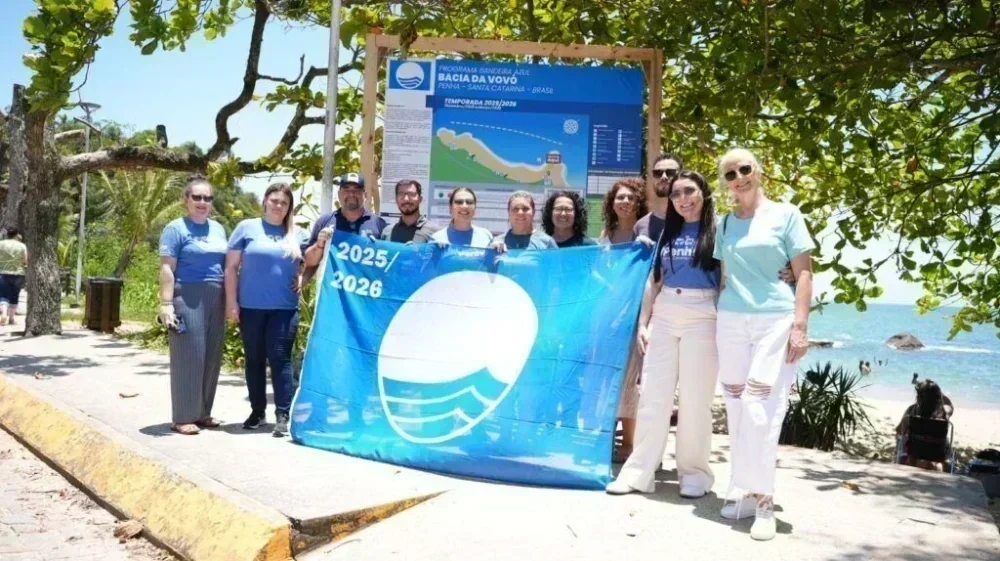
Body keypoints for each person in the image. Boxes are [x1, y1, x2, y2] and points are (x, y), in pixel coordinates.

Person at [713, 148, 815, 541]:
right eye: (730, 173)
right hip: (731, 320)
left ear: (757, 171)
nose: (739, 177)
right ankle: (740, 488)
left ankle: (765, 500)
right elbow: (726, 277)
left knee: (762, 406)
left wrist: (800, 327)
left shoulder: (787, 215)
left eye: (744, 169)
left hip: (775, 319)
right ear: (725, 182)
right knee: (736, 406)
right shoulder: (724, 224)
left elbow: (804, 274)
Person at [606, 170, 721, 499]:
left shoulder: (718, 230)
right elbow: (652, 282)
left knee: (695, 399)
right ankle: (639, 472)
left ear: (703, 193)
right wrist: (644, 323)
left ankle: (694, 473)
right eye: (675, 194)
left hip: (704, 314)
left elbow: (729, 277)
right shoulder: (667, 233)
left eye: (689, 191)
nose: (682, 199)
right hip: (666, 312)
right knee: (653, 396)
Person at [225, 182, 304, 437]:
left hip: (284, 308)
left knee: (280, 360)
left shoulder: (297, 234)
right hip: (250, 307)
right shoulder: (246, 228)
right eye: (275, 200)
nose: (279, 206)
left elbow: (312, 260)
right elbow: (230, 268)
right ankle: (257, 411)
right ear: (265, 202)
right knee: (255, 360)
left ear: (289, 207)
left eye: (284, 202)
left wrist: (304, 276)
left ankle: (283, 414)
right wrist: (231, 303)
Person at [158, 175, 228, 436]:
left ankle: (203, 412)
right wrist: (166, 304)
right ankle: (183, 416)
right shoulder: (175, 229)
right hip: (186, 295)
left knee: (211, 356)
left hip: (216, 297)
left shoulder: (219, 229)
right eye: (196, 197)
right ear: (186, 200)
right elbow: (166, 268)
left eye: (207, 198)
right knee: (189, 355)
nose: (202, 202)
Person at [598, 178, 649, 461]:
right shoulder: (607, 232)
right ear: (612, 202)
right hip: (609, 316)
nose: (625, 202)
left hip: (636, 315)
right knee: (607, 377)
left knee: (631, 379)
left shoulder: (647, 231)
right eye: (620, 198)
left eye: (630, 198)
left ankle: (629, 444)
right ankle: (606, 440)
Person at [303, 172, 387, 270]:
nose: (351, 194)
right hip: (332, 284)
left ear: (365, 195)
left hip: (366, 284)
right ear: (339, 194)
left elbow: (389, 261)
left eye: (357, 190)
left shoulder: (379, 224)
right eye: (346, 189)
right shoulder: (324, 222)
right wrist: (319, 245)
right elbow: (308, 261)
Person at [896, 379, 954, 471]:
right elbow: (950, 406)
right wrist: (936, 392)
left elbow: (899, 431)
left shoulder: (910, 413)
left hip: (913, 460)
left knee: (903, 441)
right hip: (937, 459)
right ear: (938, 397)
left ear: (918, 397)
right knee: (946, 451)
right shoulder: (944, 413)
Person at [634, 153, 683, 242]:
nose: (663, 177)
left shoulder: (696, 219)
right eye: (658, 173)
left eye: (670, 172)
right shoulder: (641, 226)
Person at [381, 179, 442, 244]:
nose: (406, 199)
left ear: (420, 199)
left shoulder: (436, 232)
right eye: (401, 194)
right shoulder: (387, 232)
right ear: (396, 200)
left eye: (411, 194)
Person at [492, 191, 558, 251]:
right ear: (508, 212)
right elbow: (485, 264)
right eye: (515, 209)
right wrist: (492, 253)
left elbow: (558, 264)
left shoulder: (546, 242)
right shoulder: (498, 241)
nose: (520, 213)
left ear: (533, 212)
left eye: (525, 208)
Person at [430, 187, 494, 248]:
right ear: (450, 207)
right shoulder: (437, 239)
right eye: (459, 202)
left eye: (469, 202)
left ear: (475, 207)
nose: (464, 206)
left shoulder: (486, 236)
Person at [599, 178, 648, 244]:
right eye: (620, 197)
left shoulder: (646, 232)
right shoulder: (605, 234)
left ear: (639, 204)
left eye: (631, 198)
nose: (626, 201)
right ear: (612, 204)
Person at [0, 229, 28, 326]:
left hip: (3, 272)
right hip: (18, 273)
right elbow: (25, 261)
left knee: (3, 295)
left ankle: (3, 313)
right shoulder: (22, 245)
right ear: (16, 234)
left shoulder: (1, 244)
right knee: (14, 296)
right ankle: (11, 318)